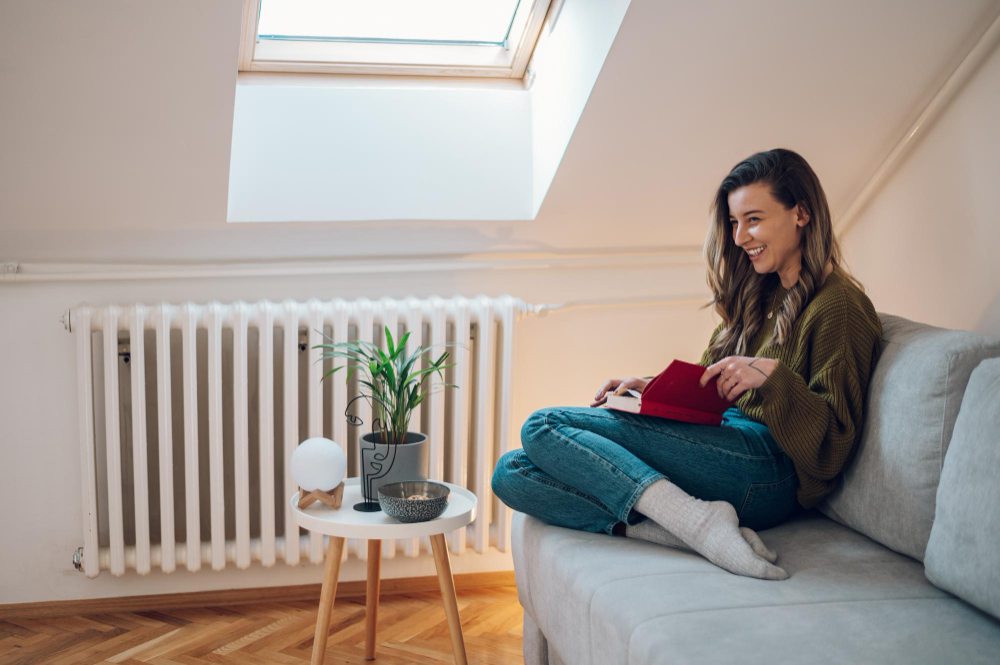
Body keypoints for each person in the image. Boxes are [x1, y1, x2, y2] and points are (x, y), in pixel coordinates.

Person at [491, 148, 883, 580]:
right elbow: (709, 384)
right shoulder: (761, 293)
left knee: (543, 426)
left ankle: (696, 523)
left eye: (753, 219)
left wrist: (773, 378)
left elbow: (832, 448)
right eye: (734, 222)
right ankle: (684, 529)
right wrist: (654, 387)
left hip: (769, 472)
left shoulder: (839, 305)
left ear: (801, 213)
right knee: (512, 472)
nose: (739, 237)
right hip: (721, 443)